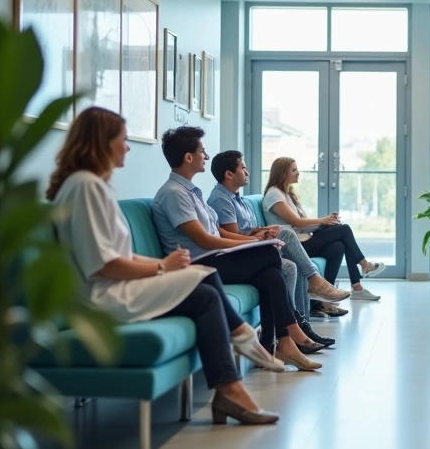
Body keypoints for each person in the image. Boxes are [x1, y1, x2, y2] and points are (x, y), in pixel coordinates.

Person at [47, 107, 279, 425]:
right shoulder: (86, 187)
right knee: (206, 287)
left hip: (113, 288)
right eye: (123, 140)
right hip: (101, 299)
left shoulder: (89, 185)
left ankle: (233, 375)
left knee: (203, 278)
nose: (128, 147)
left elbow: (121, 253)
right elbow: (106, 265)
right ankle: (238, 360)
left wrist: (166, 264)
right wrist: (162, 268)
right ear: (102, 142)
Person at [151, 127, 322, 370]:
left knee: (270, 275)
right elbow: (205, 241)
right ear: (188, 157)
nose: (206, 156)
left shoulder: (191, 191)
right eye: (202, 151)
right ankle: (288, 334)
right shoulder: (174, 193)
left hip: (215, 258)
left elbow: (217, 231)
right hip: (200, 264)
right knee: (270, 254)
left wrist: (255, 239)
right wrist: (256, 243)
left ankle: (276, 344)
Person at [208, 151, 348, 347]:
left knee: (291, 266)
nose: (247, 172)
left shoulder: (239, 199)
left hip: (251, 246)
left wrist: (263, 231)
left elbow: (247, 230)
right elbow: (234, 236)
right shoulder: (220, 200)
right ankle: (315, 282)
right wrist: (259, 236)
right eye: (243, 167)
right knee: (288, 233)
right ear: (229, 174)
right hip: (238, 254)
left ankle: (302, 327)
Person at [262, 157, 386, 303]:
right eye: (294, 170)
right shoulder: (273, 195)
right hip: (294, 246)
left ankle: (337, 294)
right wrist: (323, 220)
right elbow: (296, 222)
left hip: (305, 240)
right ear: (282, 173)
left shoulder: (288, 194)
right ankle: (364, 265)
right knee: (344, 229)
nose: (298, 173)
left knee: (338, 246)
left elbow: (302, 225)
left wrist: (326, 223)